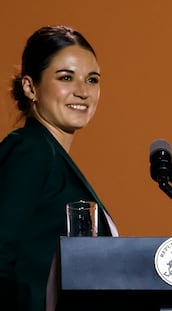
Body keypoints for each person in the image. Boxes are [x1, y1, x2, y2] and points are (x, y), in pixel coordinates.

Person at [0, 25, 118, 310]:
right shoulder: (30, 150)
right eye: (66, 77)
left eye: (92, 80)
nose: (83, 91)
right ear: (30, 87)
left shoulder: (50, 154)